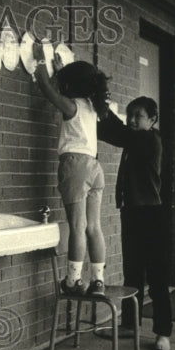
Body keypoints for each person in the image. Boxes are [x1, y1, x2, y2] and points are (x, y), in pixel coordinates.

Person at [97, 96, 173, 350]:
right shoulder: (135, 137)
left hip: (151, 214)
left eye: (137, 116)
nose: (131, 120)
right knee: (132, 273)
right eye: (130, 115)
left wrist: (97, 103)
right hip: (132, 212)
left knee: (157, 276)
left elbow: (115, 132)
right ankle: (130, 324)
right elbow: (116, 130)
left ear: (152, 120)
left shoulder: (149, 139)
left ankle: (163, 332)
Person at [33, 48, 109, 296]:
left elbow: (46, 88)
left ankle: (73, 281)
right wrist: (61, 69)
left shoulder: (71, 106)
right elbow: (67, 86)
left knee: (77, 226)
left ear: (71, 86)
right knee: (93, 228)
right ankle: (98, 281)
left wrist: (40, 59)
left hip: (75, 167)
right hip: (95, 169)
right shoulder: (91, 106)